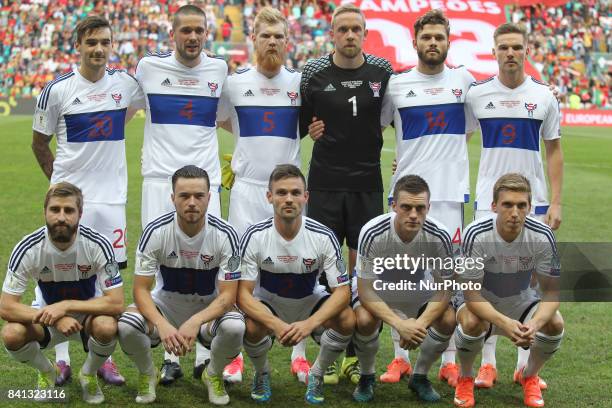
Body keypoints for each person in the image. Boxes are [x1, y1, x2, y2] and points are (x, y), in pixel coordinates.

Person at [30, 15, 142, 386]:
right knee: (59, 273)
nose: (98, 49)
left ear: (112, 45)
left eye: (104, 42)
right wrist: (60, 188)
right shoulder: (57, 90)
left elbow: (142, 106)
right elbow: (39, 143)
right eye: (91, 42)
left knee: (102, 280)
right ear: (77, 45)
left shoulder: (125, 84)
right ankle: (61, 357)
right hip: (69, 204)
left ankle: (101, 358)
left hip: (111, 201)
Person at [379, 9, 477, 387]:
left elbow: (471, 126)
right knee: (397, 276)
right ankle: (400, 357)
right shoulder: (397, 85)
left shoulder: (465, 82)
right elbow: (377, 127)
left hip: (450, 196)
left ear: (448, 42)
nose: (432, 43)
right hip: (406, 196)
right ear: (415, 42)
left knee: (445, 278)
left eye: (439, 37)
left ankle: (449, 360)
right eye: (426, 37)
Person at [465, 22, 564, 389]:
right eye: (503, 47)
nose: (510, 53)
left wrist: (555, 200)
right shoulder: (476, 95)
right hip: (488, 205)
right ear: (494, 51)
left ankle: (524, 368)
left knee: (530, 286)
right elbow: (455, 138)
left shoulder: (543, 96)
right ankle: (487, 363)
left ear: (526, 51)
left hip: (532, 204)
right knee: (488, 283)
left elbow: (553, 149)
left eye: (516, 47)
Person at [134, 4, 229, 383]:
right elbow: (123, 109)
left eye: (199, 31)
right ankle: (171, 358)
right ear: (172, 34)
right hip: (159, 181)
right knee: (161, 268)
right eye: (185, 30)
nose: (192, 37)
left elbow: (227, 118)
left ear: (207, 34)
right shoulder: (148, 68)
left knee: (209, 267)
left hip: (206, 185)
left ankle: (204, 351)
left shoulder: (219, 70)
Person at [299, 3, 393, 385]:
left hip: (367, 184)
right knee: (322, 269)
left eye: (357, 29)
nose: (350, 35)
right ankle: (326, 349)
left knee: (362, 273)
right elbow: (300, 120)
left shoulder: (382, 72)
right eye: (343, 29)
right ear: (332, 34)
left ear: (365, 34)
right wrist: (312, 128)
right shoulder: (313, 72)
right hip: (323, 183)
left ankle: (356, 354)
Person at [216, 6, 309, 382]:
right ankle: (237, 354)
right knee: (241, 271)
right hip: (247, 191)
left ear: (288, 42)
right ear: (253, 39)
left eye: (279, 37)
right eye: (265, 36)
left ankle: (298, 352)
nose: (272, 42)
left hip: (288, 194)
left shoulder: (301, 84)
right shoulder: (234, 83)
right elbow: (220, 119)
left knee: (296, 266)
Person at [117, 165, 245, 405]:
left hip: (208, 310)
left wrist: (195, 321)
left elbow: (228, 297)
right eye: (184, 196)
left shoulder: (226, 234)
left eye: (199, 196)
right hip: (166, 306)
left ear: (209, 198)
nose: (192, 202)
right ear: (173, 198)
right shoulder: (155, 231)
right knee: (126, 325)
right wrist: (161, 324)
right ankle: (148, 373)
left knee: (236, 327)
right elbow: (140, 290)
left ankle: (213, 374)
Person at [237, 164, 355, 404]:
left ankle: (318, 373)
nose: (288, 199)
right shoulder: (254, 235)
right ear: (269, 197)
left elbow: (342, 292)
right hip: (269, 301)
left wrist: (310, 323)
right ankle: (263, 372)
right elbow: (243, 295)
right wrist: (276, 325)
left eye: (295, 192)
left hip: (308, 300)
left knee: (347, 319)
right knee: (250, 326)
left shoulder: (323, 236)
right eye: (281, 193)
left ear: (306, 197)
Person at [0, 183, 124, 404]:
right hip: (45, 318)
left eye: (69, 210)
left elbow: (116, 303)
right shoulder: (28, 248)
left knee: (107, 326)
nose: (61, 217)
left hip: (87, 318)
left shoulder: (98, 245)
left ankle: (88, 373)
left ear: (80, 214)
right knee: (11, 334)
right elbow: (6, 306)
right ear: (45, 212)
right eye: (55, 209)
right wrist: (55, 317)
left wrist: (65, 306)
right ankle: (48, 372)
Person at [453, 173, 564, 408]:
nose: (514, 212)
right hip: (483, 301)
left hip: (522, 301)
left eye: (521, 205)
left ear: (529, 207)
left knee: (554, 323)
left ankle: (529, 375)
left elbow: (552, 294)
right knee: (471, 322)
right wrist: (504, 322)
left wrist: (533, 326)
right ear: (494, 206)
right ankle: (465, 377)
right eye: (507, 205)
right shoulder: (476, 233)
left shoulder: (543, 235)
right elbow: (471, 295)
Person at [352, 175, 456, 402]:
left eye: (420, 208)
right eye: (406, 207)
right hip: (379, 289)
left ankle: (419, 376)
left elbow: (445, 289)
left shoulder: (440, 234)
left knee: (448, 319)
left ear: (428, 207)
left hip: (419, 288)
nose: (413, 214)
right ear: (393, 206)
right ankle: (367, 376)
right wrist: (400, 324)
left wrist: (419, 324)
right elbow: (365, 290)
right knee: (364, 319)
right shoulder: (372, 231)